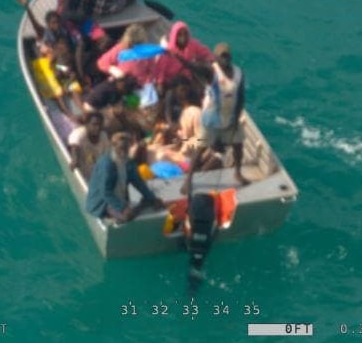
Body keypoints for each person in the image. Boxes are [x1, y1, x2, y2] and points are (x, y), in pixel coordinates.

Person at [180, 43, 250, 194]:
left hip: (230, 116)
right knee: (201, 148)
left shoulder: (238, 73)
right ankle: (188, 180)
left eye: (227, 55)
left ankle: (238, 172)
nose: (225, 58)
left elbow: (241, 97)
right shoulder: (212, 71)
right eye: (221, 56)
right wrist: (180, 59)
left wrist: (236, 118)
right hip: (211, 118)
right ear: (216, 58)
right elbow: (194, 67)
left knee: (238, 145)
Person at [51, 0, 111, 85]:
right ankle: (79, 74)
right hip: (65, 19)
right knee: (79, 43)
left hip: (83, 20)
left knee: (105, 40)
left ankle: (92, 66)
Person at [85, 132, 164, 223]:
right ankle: (139, 207)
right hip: (102, 202)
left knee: (150, 203)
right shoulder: (107, 164)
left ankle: (142, 204)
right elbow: (105, 192)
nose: (124, 152)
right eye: (121, 148)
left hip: (119, 197)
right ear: (114, 146)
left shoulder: (128, 162)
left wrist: (152, 198)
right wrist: (122, 208)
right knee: (127, 217)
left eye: (126, 149)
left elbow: (138, 182)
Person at [156, 21, 214, 92]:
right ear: (174, 36)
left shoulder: (192, 45)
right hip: (171, 83)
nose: (183, 38)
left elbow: (205, 53)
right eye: (179, 35)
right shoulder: (166, 53)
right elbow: (160, 73)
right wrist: (160, 86)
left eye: (185, 34)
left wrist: (211, 62)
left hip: (187, 80)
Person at [68, 111, 110, 180]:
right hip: (81, 174)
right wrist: (75, 159)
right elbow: (74, 145)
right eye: (94, 124)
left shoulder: (103, 136)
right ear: (86, 124)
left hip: (94, 173)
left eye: (100, 125)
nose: (97, 127)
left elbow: (106, 156)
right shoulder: (79, 134)